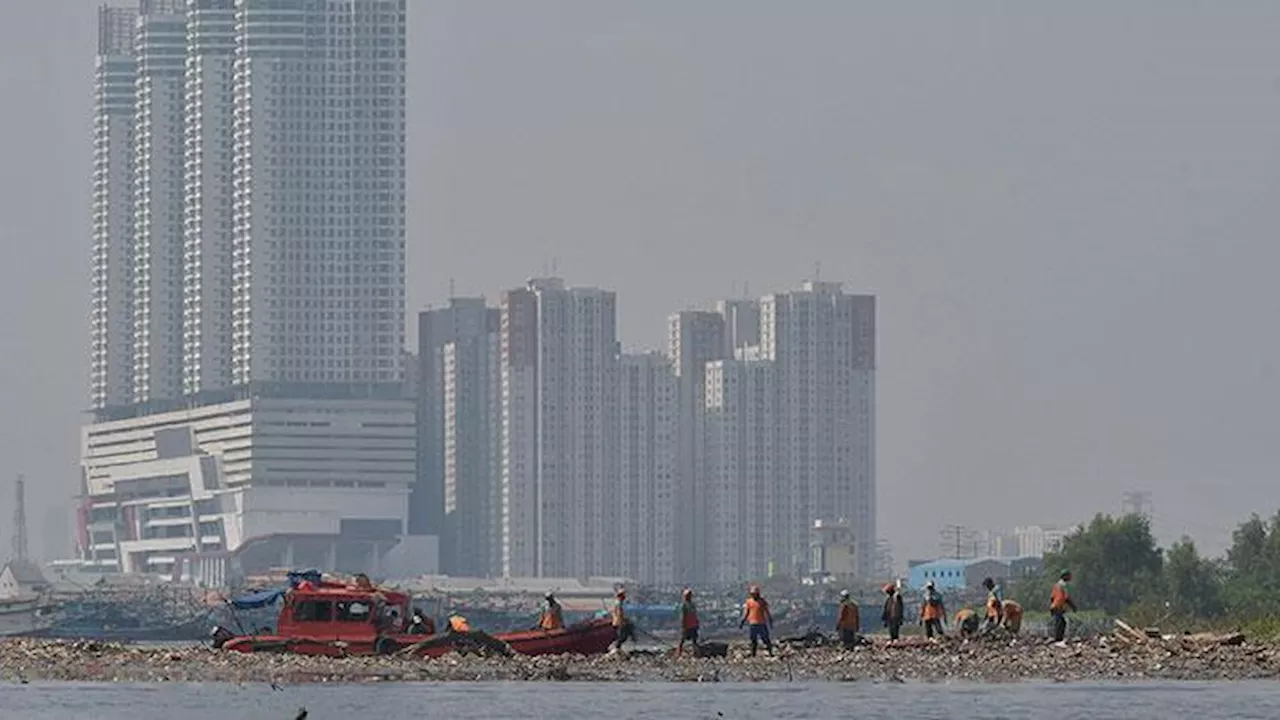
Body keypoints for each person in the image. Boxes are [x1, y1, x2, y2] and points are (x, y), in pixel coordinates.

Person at [739, 585, 774, 657]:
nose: (754, 595)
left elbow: (767, 612)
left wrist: (770, 621)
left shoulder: (762, 601)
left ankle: (770, 653)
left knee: (766, 639)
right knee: (753, 640)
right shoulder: (749, 602)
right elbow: (746, 612)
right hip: (753, 623)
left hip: (761, 623)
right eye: (752, 594)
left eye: (755, 594)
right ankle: (753, 655)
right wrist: (742, 621)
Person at [1050, 569, 1077, 642]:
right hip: (1058, 606)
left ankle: (1058, 638)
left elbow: (1052, 597)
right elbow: (1066, 597)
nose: (1070, 577)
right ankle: (1058, 639)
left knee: (1060, 622)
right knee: (1060, 624)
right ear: (1065, 576)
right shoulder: (1063, 585)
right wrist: (1073, 606)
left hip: (1055, 606)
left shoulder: (1056, 585)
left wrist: (1052, 605)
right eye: (1068, 576)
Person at [676, 588, 700, 657]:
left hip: (690, 626)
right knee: (690, 641)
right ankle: (695, 654)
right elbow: (686, 616)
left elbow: (686, 616)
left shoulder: (687, 605)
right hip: (691, 625)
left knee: (684, 641)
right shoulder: (689, 605)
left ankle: (679, 654)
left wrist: (683, 625)